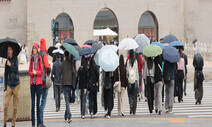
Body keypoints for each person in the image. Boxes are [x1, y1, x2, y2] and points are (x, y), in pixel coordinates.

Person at [4, 45, 20, 127]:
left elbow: (16, 70)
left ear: (12, 51)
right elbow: (5, 75)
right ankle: (5, 122)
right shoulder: (7, 61)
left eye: (9, 49)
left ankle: (13, 124)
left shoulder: (15, 59)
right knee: (6, 105)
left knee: (15, 107)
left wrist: (10, 65)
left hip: (16, 84)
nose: (8, 51)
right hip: (9, 85)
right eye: (7, 50)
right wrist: (5, 89)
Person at [29, 43, 43, 127]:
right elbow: (29, 71)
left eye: (35, 48)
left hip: (38, 84)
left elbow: (41, 72)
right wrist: (32, 73)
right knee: (33, 105)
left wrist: (36, 73)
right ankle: (33, 123)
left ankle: (38, 123)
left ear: (37, 49)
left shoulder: (39, 58)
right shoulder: (31, 59)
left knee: (38, 104)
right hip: (32, 84)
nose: (34, 50)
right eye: (33, 48)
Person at [39, 38, 51, 127]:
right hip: (44, 83)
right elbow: (47, 67)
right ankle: (41, 122)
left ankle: (39, 121)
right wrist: (49, 70)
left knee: (39, 103)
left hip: (38, 82)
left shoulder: (38, 54)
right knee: (43, 103)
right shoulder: (44, 55)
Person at [61, 51, 74, 123]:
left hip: (64, 83)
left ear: (64, 56)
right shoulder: (71, 63)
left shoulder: (62, 64)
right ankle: (66, 115)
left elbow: (61, 73)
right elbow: (73, 72)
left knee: (67, 101)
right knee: (68, 101)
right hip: (70, 83)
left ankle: (68, 116)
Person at [126, 50, 139, 115]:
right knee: (134, 96)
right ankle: (134, 110)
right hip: (135, 80)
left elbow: (127, 72)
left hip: (129, 81)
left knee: (130, 94)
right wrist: (138, 82)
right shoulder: (136, 61)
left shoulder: (128, 61)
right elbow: (136, 72)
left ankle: (131, 104)